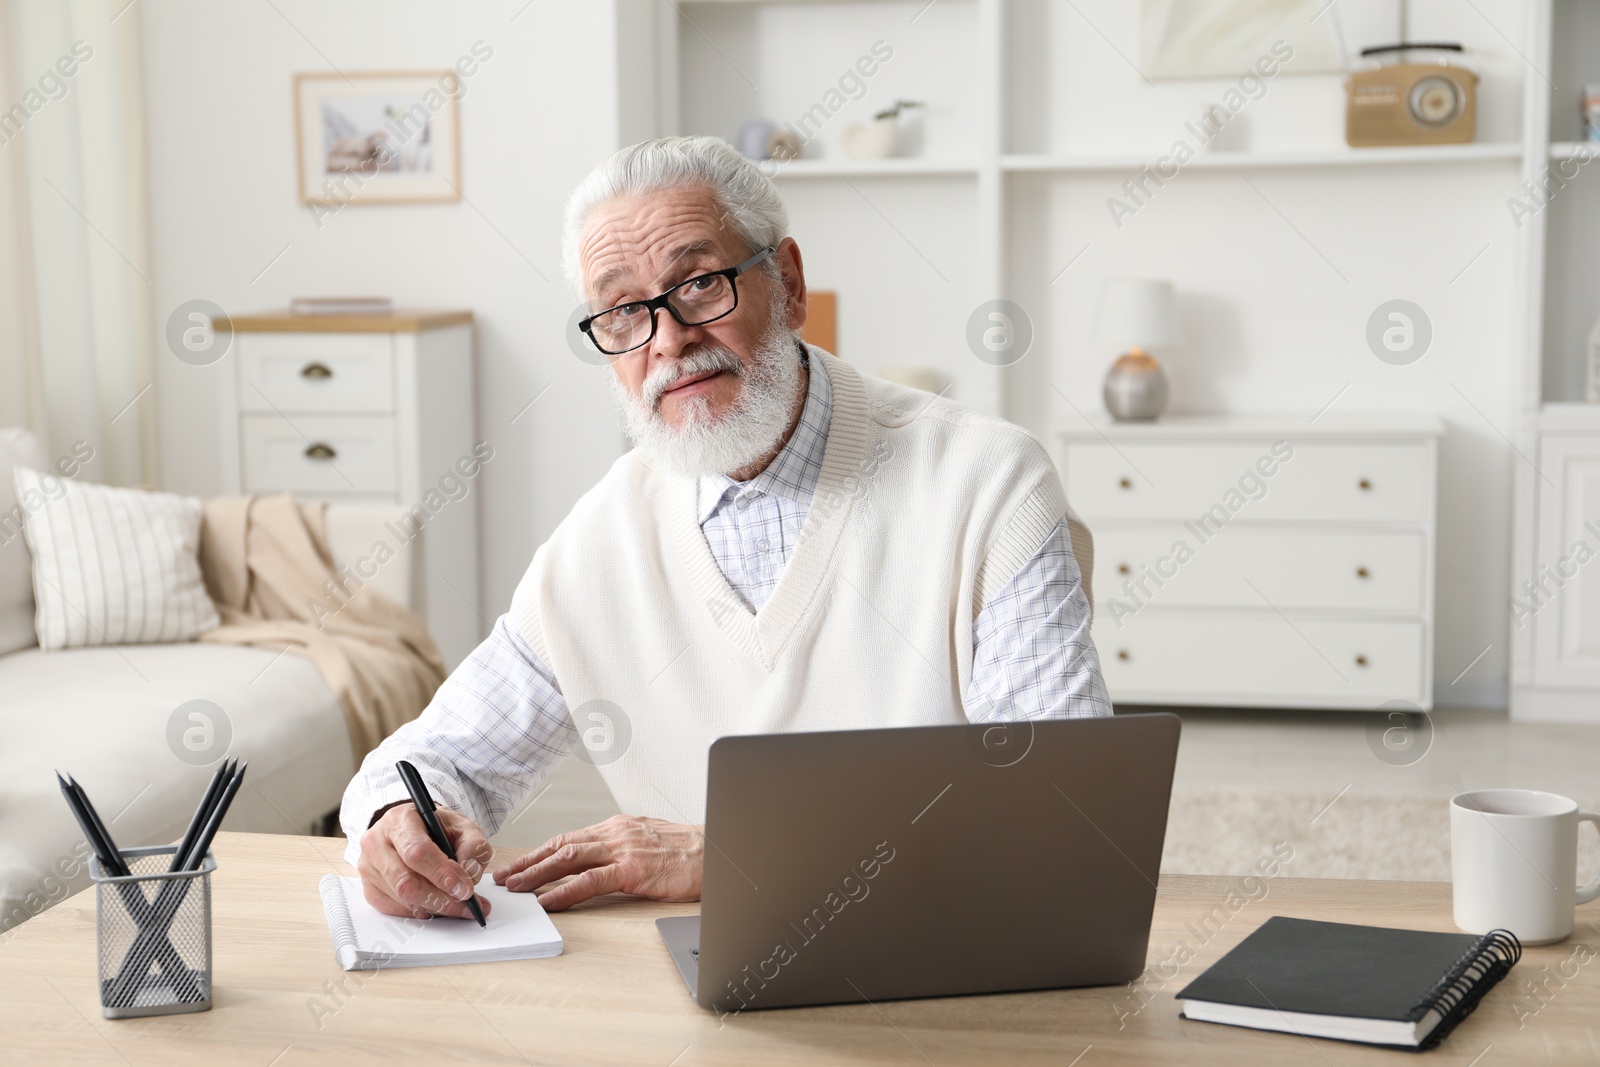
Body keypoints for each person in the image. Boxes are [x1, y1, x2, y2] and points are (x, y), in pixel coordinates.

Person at [339, 135, 1110, 921]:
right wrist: (395, 822)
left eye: (701, 284)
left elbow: (1061, 815)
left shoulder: (989, 484)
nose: (668, 339)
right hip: (698, 1005)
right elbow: (429, 760)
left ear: (790, 283)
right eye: (624, 311)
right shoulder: (598, 546)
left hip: (946, 963)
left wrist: (735, 850)